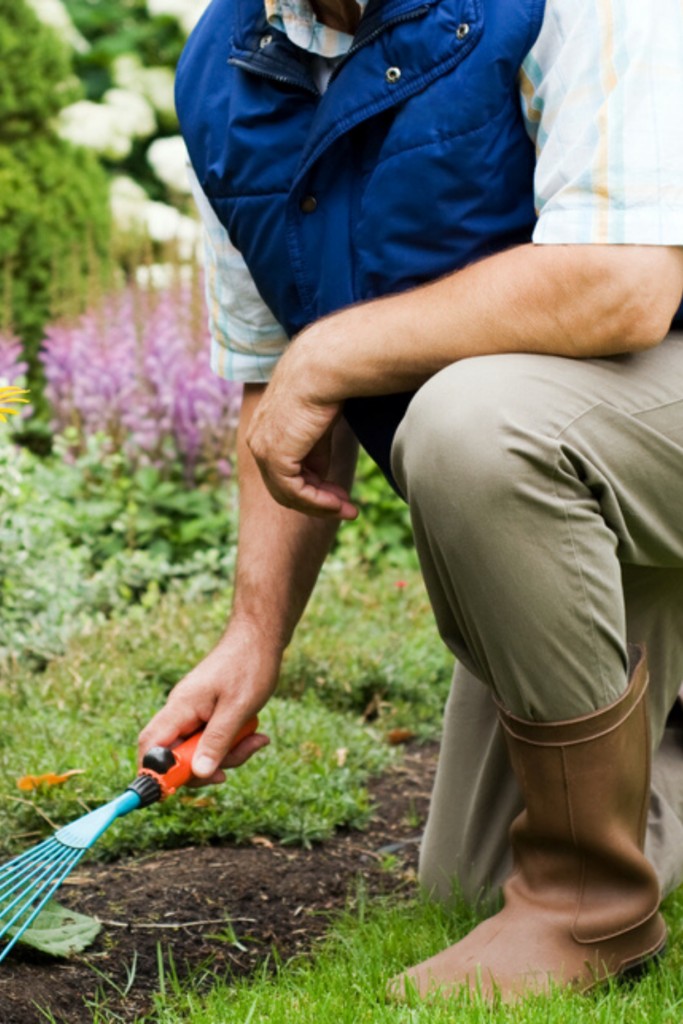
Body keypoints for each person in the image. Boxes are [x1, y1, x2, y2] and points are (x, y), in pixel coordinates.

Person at [138, 0, 683, 1000]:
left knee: (470, 422)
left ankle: (584, 905)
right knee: (468, 882)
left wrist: (333, 352)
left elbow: (622, 285)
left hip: (627, 417)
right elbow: (279, 392)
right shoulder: (224, 72)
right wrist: (252, 636)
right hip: (601, 469)